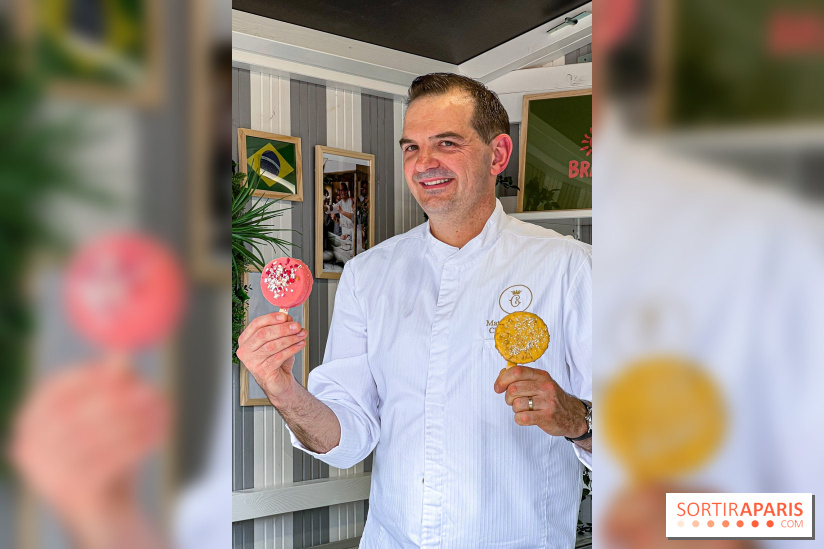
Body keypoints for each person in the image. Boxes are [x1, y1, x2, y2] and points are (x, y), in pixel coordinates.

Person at [237, 73, 592, 548]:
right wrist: (282, 390)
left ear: (498, 154)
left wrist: (579, 419)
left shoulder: (569, 267)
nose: (425, 163)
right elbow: (348, 438)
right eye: (411, 148)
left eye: (447, 143)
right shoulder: (367, 275)